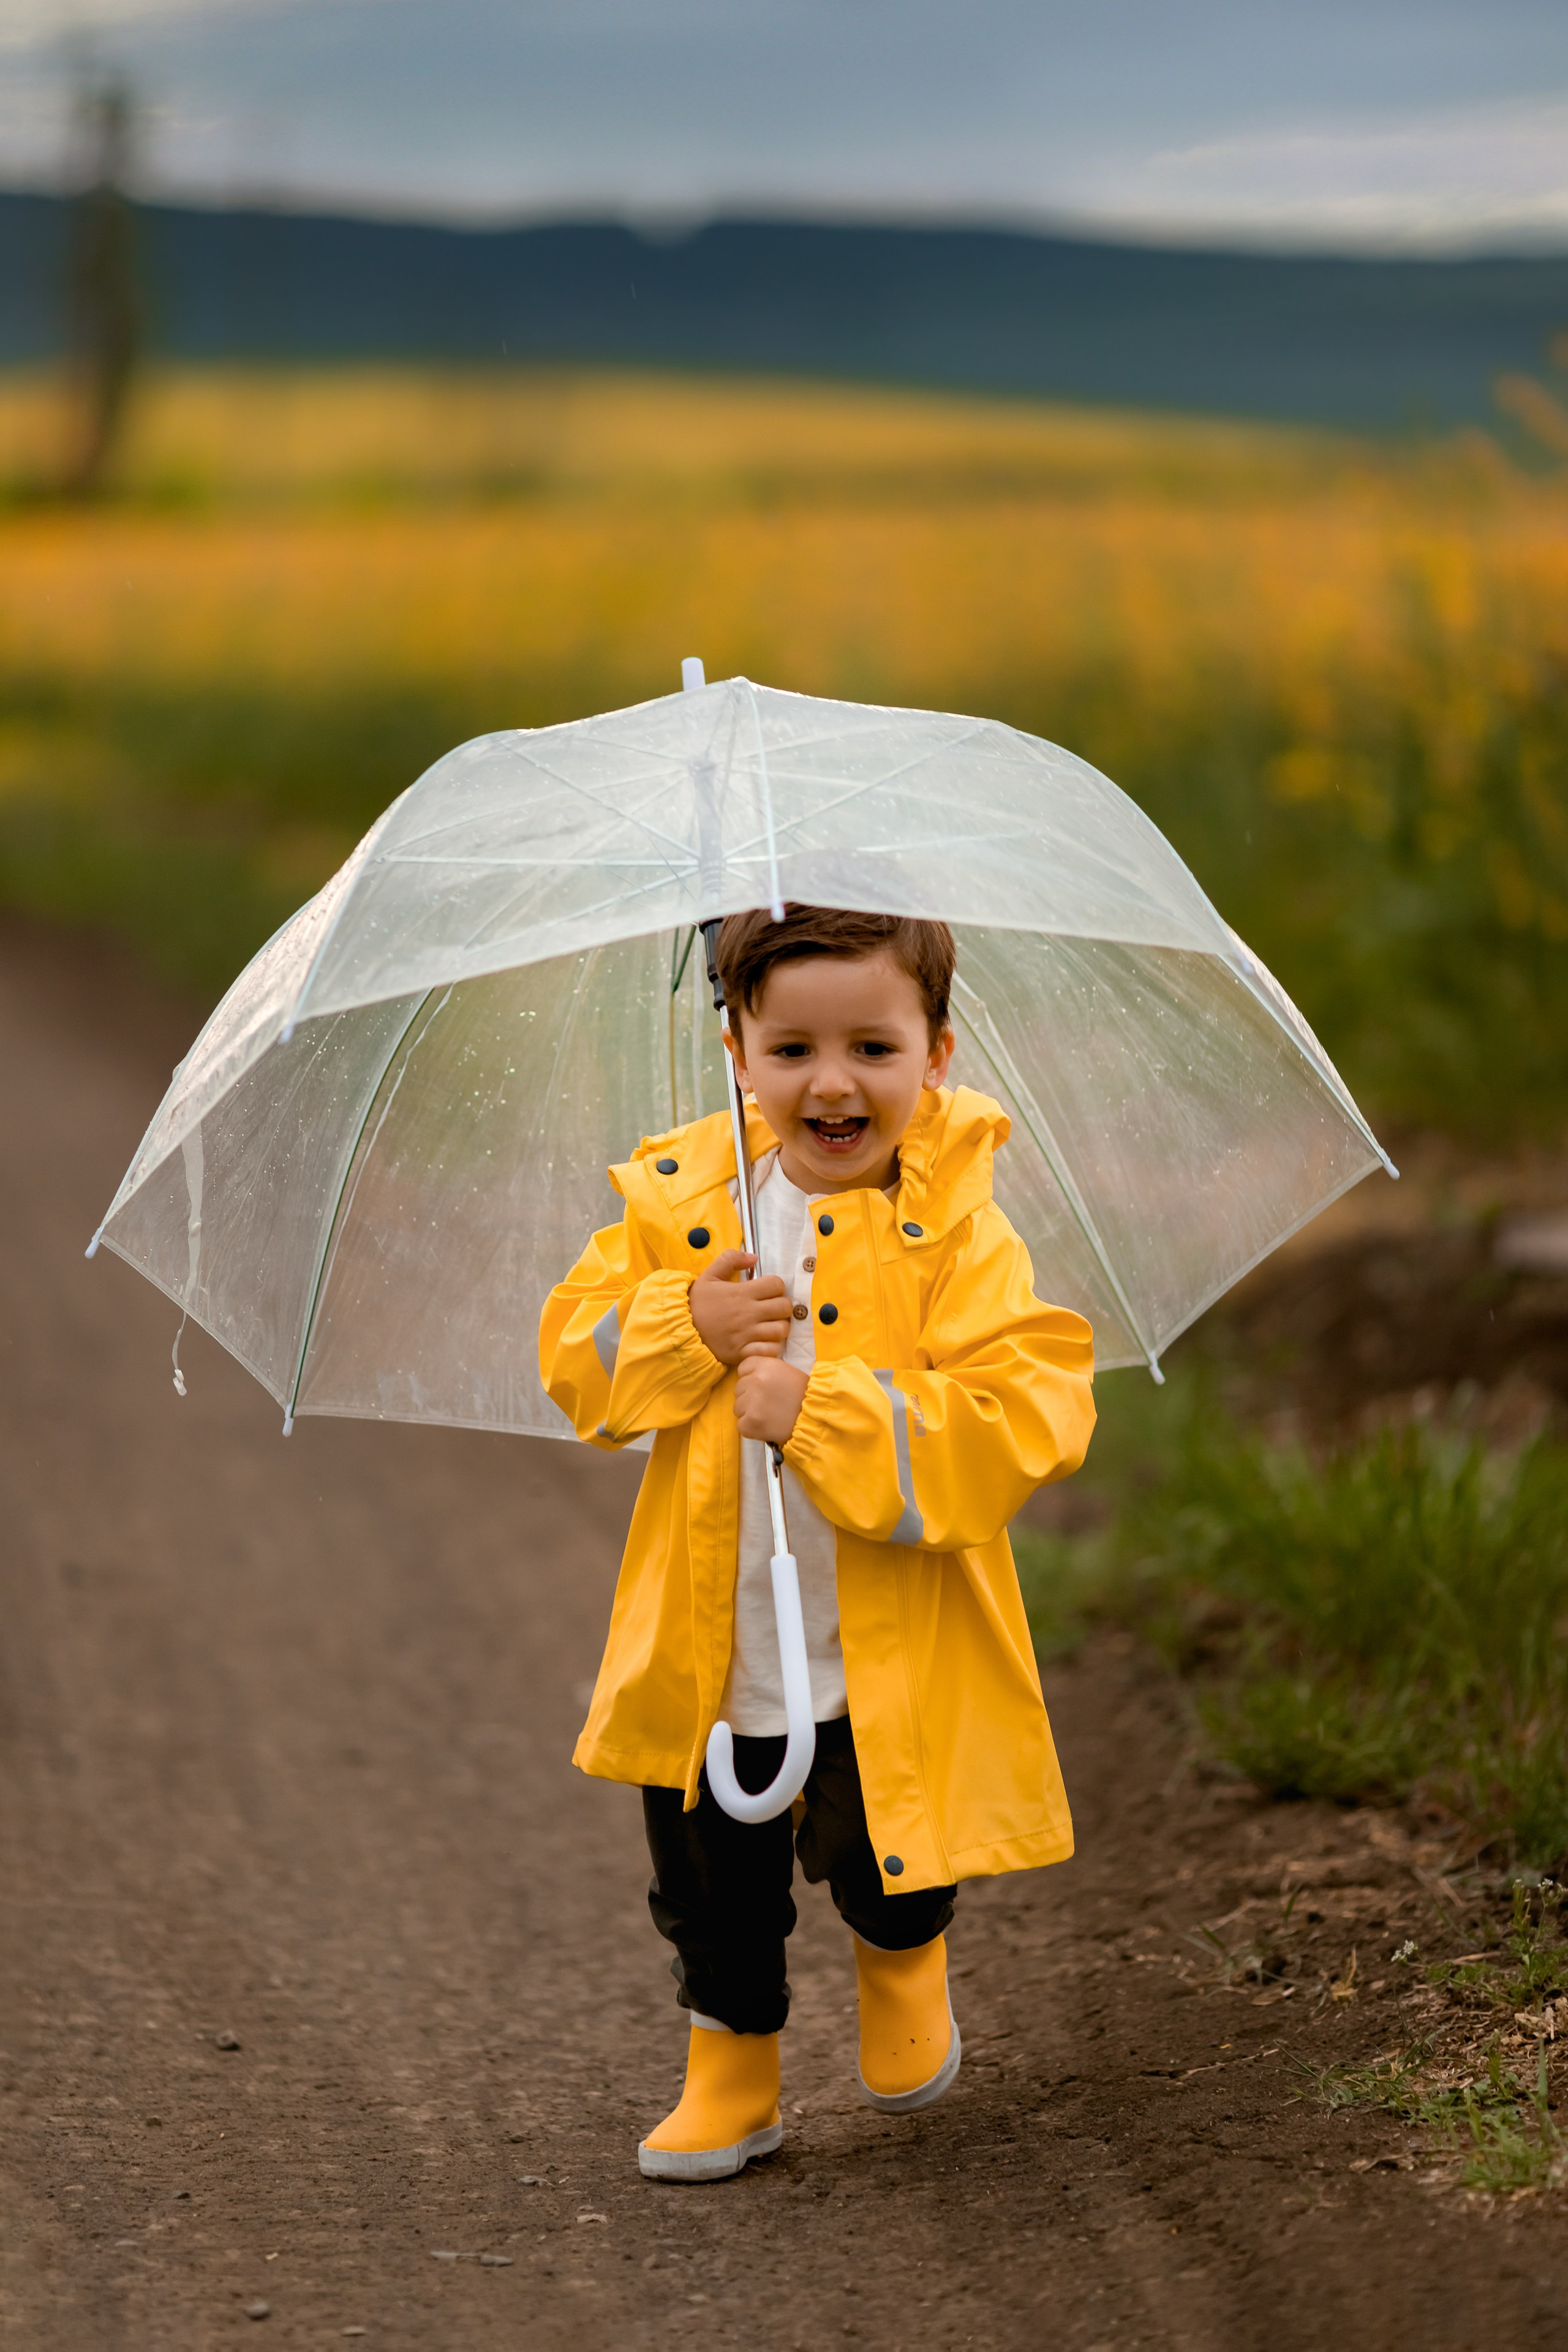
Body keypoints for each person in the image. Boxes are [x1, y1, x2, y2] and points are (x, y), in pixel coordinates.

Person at [538, 905, 1095, 2181]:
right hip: (711, 1628)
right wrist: (685, 1320)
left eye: (870, 1047)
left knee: (883, 1847)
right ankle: (729, 2072)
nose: (831, 1082)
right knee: (704, 1873)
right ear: (735, 1052)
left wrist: (820, 1410)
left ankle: (901, 1961)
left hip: (876, 1639)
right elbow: (575, 1362)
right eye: (789, 1049)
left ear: (935, 1055)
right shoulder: (683, 1209)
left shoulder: (956, 1234)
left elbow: (1025, 1415)